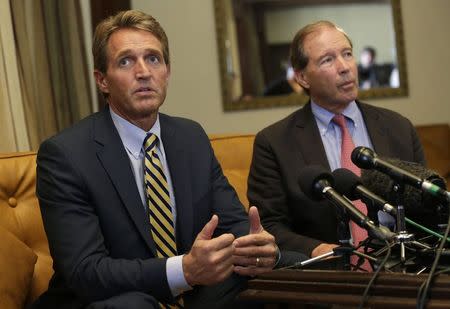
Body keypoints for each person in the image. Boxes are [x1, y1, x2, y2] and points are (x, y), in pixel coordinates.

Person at [33, 10, 281, 309]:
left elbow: (232, 223)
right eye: (126, 61)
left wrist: (258, 247)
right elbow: (86, 272)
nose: (143, 72)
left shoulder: (190, 137)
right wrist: (184, 270)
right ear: (102, 81)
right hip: (106, 301)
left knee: (283, 271)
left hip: (190, 294)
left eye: (153, 58)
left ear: (167, 71)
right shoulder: (66, 155)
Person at [247, 21, 425, 261]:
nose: (345, 67)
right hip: (329, 278)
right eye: (327, 60)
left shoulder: (398, 128)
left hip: (403, 268)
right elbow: (270, 224)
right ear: (302, 77)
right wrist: (314, 249)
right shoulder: (275, 143)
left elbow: (426, 209)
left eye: (347, 54)